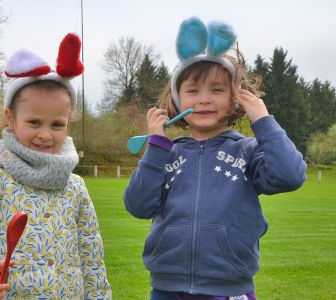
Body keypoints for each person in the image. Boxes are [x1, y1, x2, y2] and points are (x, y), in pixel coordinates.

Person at [124, 17, 306, 299]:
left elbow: (290, 175)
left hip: (230, 288)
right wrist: (156, 148)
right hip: (167, 289)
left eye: (218, 90)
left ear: (236, 98)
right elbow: (137, 205)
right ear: (177, 99)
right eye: (193, 91)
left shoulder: (246, 151)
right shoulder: (166, 154)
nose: (204, 99)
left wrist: (264, 121)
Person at [0, 33, 112, 299]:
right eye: (34, 122)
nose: (45, 135)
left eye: (57, 124)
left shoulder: (76, 187)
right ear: (10, 118)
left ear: (69, 122)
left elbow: (92, 259)